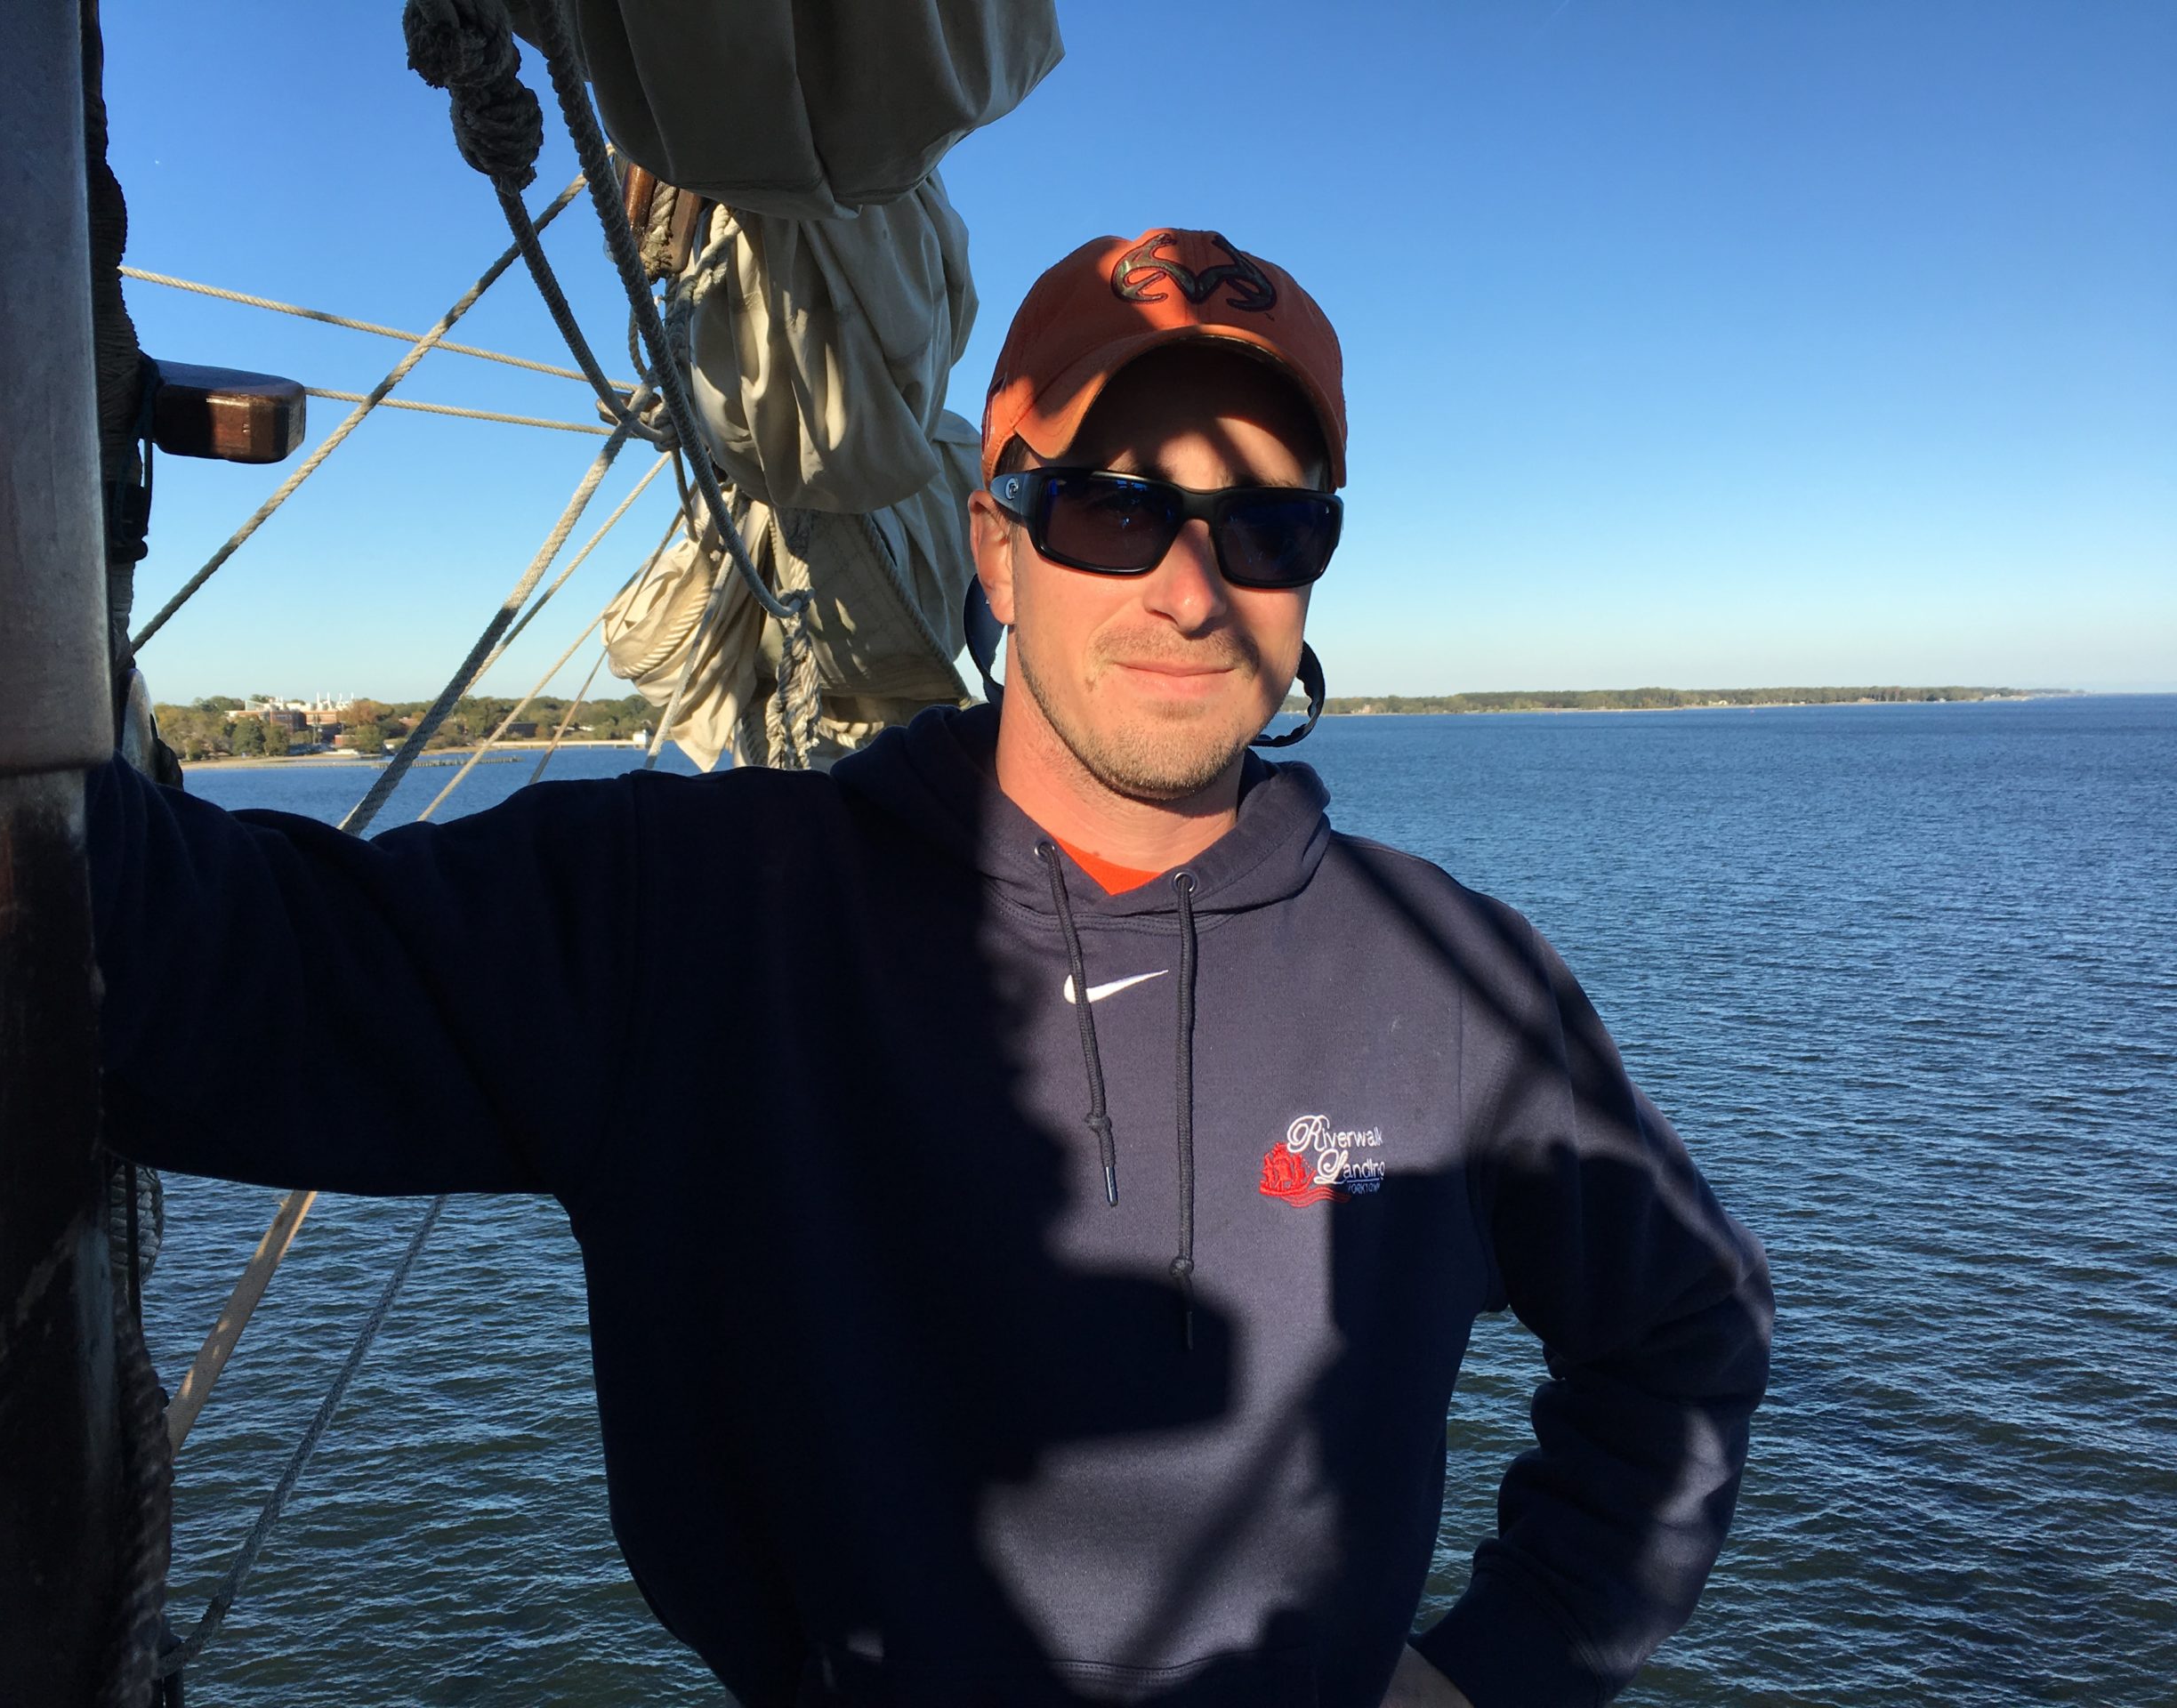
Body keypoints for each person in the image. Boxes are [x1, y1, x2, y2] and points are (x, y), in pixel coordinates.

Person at [91, 228, 1771, 1708]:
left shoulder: (1460, 990)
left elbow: (1683, 1339)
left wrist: (1487, 1675)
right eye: (1119, 508)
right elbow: (183, 983)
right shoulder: (692, 917)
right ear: (999, 541)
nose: (1195, 589)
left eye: (1269, 525)